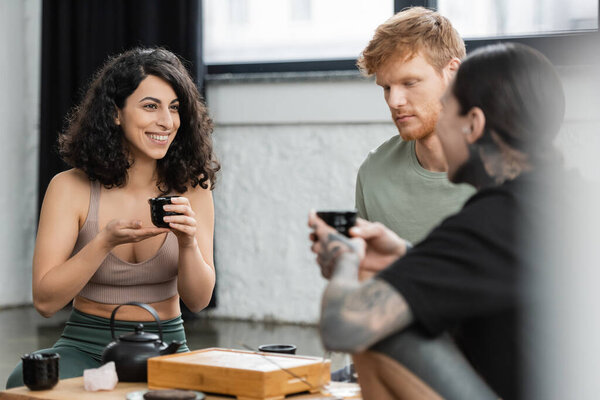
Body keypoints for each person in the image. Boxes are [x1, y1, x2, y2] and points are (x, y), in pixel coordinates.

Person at [310, 42, 568, 400]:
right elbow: (487, 272)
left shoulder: (495, 219)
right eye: (386, 88)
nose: (394, 101)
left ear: (473, 125)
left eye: (448, 111)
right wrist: (404, 253)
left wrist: (346, 258)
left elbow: (344, 325)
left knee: (379, 329)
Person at [6, 48, 219, 388]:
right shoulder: (69, 188)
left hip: (166, 346)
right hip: (86, 346)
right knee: (22, 381)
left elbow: (198, 300)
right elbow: (46, 302)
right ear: (116, 113)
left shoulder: (193, 189)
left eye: (175, 107)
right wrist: (104, 241)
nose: (167, 121)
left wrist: (188, 242)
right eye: (151, 106)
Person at [354, 7, 475, 261]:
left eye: (409, 83)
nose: (394, 101)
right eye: (386, 87)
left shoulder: (505, 172)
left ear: (452, 73)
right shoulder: (374, 172)